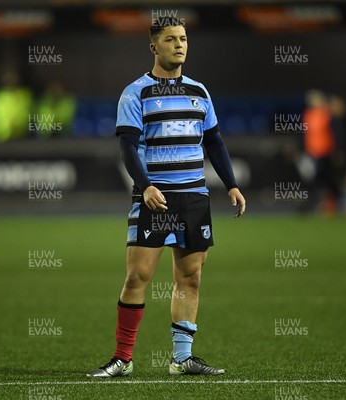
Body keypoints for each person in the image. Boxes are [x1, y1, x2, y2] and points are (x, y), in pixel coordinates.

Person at [87, 18, 246, 378]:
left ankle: (182, 359)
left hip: (193, 198)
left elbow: (215, 142)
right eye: (171, 39)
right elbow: (127, 147)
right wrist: (145, 186)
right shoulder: (135, 92)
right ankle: (123, 358)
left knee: (190, 278)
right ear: (153, 47)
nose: (179, 45)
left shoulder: (199, 91)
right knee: (137, 276)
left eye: (184, 38)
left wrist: (232, 184)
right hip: (154, 198)